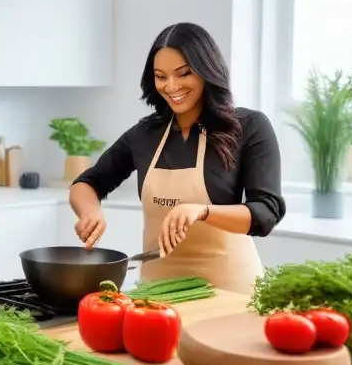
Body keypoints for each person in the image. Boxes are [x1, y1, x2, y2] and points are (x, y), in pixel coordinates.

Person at [69, 22, 286, 294]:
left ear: (207, 71)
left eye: (183, 73)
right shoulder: (145, 135)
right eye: (161, 76)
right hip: (156, 295)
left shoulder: (249, 126)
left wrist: (202, 211)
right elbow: (87, 183)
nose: (171, 86)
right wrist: (90, 212)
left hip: (230, 291)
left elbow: (266, 213)